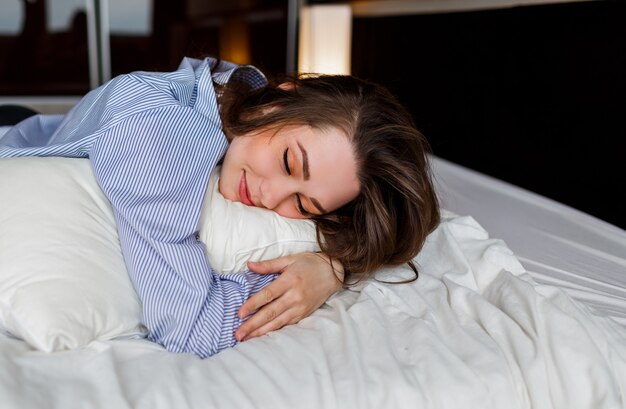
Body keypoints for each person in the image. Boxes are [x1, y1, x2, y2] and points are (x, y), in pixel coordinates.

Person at [0, 56, 440, 358]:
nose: (270, 195)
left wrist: (336, 265)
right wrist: (323, 278)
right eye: (289, 161)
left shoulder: (235, 100)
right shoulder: (158, 137)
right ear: (277, 99)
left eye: (303, 203)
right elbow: (189, 330)